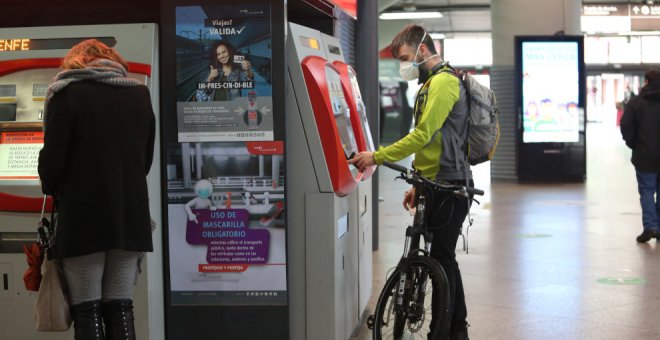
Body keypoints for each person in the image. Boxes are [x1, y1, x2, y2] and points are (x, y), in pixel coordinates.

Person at [349, 24, 472, 340]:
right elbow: (432, 144)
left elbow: (422, 135)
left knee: (443, 259)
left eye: (405, 57)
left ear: (423, 50)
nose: (404, 65)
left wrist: (376, 156)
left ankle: (446, 331)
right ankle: (454, 329)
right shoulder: (428, 86)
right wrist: (418, 181)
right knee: (442, 258)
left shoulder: (444, 83)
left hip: (451, 183)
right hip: (434, 182)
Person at [38, 39, 155, 340]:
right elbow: (145, 160)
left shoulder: (67, 94)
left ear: (75, 62)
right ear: (112, 60)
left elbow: (52, 167)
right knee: (120, 306)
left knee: (87, 309)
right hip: (130, 216)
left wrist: (52, 182)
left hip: (84, 219)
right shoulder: (140, 94)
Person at [620, 69, 660, 243]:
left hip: (644, 155)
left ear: (646, 82)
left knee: (646, 191)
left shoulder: (636, 103)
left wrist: (634, 144)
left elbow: (626, 126)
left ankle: (651, 227)